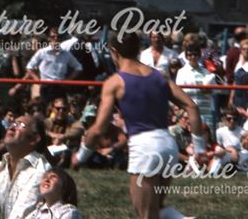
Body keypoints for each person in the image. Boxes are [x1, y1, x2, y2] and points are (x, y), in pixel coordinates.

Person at [74, 32, 205, 219]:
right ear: (139, 49)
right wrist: (199, 149)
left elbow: (99, 127)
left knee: (145, 214)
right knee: (157, 210)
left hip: (145, 148)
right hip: (168, 146)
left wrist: (80, 156)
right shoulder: (160, 76)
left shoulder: (114, 82)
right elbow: (192, 107)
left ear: (113, 51)